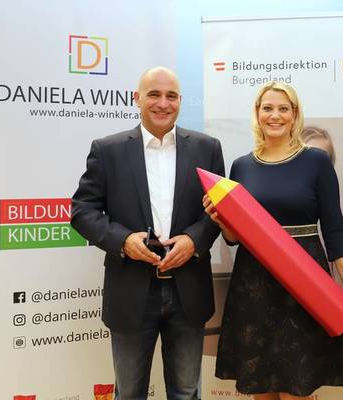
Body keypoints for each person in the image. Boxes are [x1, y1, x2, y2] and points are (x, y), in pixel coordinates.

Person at [71, 66, 225, 400]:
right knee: (129, 394)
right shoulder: (108, 150)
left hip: (189, 292)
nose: (163, 103)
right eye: (154, 94)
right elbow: (82, 211)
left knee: (186, 392)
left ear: (180, 100)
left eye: (171, 96)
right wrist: (123, 241)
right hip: (130, 291)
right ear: (136, 98)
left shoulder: (207, 148)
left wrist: (194, 240)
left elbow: (219, 211)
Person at [203, 81, 343, 400]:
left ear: (294, 115)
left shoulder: (316, 161)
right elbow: (233, 238)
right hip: (254, 285)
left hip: (304, 284)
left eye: (283, 109)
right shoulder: (241, 166)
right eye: (268, 108)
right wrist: (220, 219)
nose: (275, 115)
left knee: (297, 388)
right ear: (257, 114)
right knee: (260, 387)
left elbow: (334, 231)